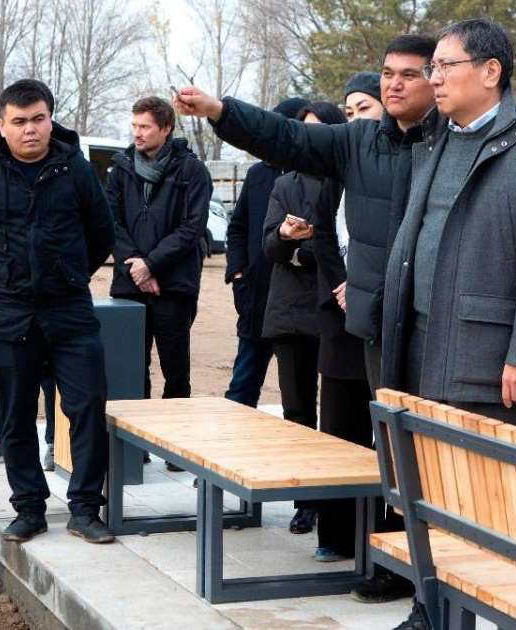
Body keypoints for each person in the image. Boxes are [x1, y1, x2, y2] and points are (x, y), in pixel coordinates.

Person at [175, 34, 438, 606]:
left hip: (423, 328)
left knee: (410, 451)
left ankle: (411, 564)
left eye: (408, 74)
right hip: (357, 321)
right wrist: (220, 111)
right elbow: (285, 136)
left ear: (436, 78)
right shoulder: (358, 143)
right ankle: (357, 546)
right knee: (350, 436)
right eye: (387, 73)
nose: (393, 84)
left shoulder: (450, 144)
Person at [380, 20, 516, 628]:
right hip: (419, 344)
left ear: (491, 72)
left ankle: (473, 613)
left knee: (484, 500)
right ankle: (429, 609)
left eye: (445, 66)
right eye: (432, 68)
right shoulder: (437, 140)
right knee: (427, 492)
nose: (434, 78)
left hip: (487, 360)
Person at [0, 79, 116, 544]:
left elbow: (102, 234)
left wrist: (69, 274)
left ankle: (85, 508)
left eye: (38, 119)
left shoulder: (76, 170)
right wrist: (2, 280)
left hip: (70, 312)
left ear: (50, 120)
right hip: (11, 314)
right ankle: (28, 508)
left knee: (87, 408)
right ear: (2, 125)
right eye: (19, 121)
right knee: (15, 416)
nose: (30, 130)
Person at [108, 96, 212, 473]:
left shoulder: (191, 171)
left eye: (145, 126)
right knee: (133, 369)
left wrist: (152, 265)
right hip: (129, 284)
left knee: (175, 370)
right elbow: (111, 222)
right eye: (134, 125)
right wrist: (137, 266)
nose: (137, 133)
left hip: (174, 285)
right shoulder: (120, 168)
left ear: (166, 128)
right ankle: (136, 448)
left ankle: (174, 447)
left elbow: (192, 227)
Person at [260, 102, 345, 537]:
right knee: (297, 410)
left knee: (337, 413)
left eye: (317, 129)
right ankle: (305, 500)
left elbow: (340, 246)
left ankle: (338, 500)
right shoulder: (285, 183)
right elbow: (269, 247)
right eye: (303, 129)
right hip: (290, 314)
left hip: (336, 310)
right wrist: (286, 238)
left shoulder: (346, 181)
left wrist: (303, 251)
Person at [298, 101, 374, 562]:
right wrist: (342, 284)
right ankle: (336, 533)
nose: (355, 117)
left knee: (380, 436)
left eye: (364, 108)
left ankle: (378, 537)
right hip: (340, 314)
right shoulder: (337, 171)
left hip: (381, 315)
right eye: (349, 110)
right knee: (338, 431)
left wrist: (365, 288)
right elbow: (323, 234)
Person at [223, 97, 310, 408]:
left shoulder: (314, 175)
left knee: (298, 394)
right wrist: (237, 274)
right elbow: (238, 228)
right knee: (242, 385)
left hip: (296, 300)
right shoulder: (258, 174)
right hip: (256, 295)